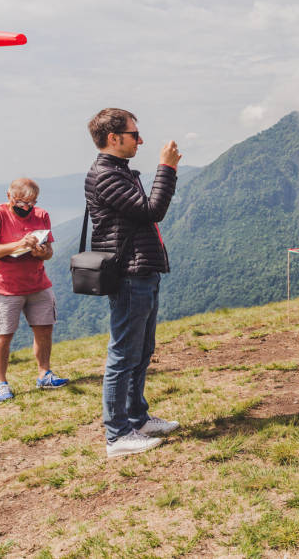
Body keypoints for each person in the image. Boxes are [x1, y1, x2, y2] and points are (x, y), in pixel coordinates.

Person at [86, 108, 181, 458]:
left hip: (142, 270)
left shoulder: (118, 172)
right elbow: (151, 210)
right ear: (114, 138)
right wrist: (166, 167)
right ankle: (117, 435)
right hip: (128, 274)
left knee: (141, 350)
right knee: (123, 353)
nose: (139, 140)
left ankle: (137, 419)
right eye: (134, 134)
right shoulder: (105, 176)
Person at [0, 178, 69, 402]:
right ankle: (1, 384)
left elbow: (49, 250)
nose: (26, 208)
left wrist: (42, 252)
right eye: (21, 202)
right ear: (9, 196)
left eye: (31, 203)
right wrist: (18, 244)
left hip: (37, 283)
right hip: (4, 286)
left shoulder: (42, 215)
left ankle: (44, 373)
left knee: (44, 329)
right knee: (3, 334)